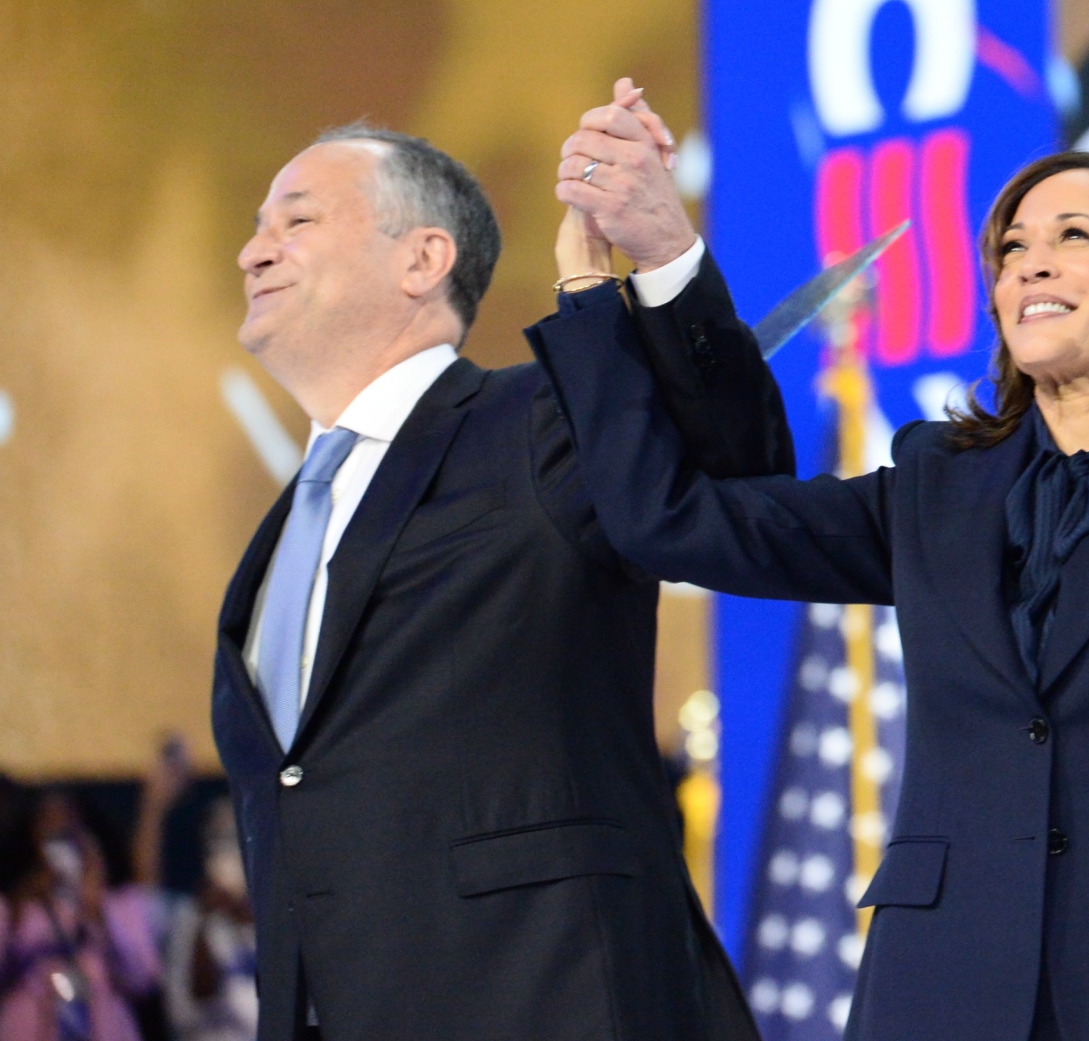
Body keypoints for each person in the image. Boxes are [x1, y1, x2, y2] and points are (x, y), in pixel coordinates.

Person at [525, 41, 1089, 1040]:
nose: (1028, 259)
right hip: (954, 984)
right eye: (1010, 247)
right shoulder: (934, 488)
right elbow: (671, 519)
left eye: (1073, 235)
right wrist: (607, 290)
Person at [210, 80, 788, 1041]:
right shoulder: (280, 537)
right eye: (258, 225)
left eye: (296, 218)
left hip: (548, 1004)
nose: (253, 248)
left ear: (423, 258)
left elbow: (736, 468)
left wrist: (657, 248)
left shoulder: (539, 422)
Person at [0, 753, 175, 1041]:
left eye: (69, 830)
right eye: (49, 830)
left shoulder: (119, 904)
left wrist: (98, 911)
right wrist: (21, 901)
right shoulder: (14, 906)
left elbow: (143, 979)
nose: (60, 841)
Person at [161, 798, 255, 1041]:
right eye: (218, 843)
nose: (227, 855)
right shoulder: (192, 916)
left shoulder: (276, 912)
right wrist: (205, 919)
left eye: (233, 841)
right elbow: (195, 999)